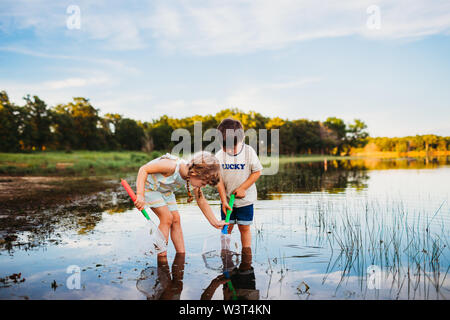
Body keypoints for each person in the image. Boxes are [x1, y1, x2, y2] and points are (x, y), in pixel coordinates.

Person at [134, 151, 228, 256]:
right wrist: (140, 195)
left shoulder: (191, 176)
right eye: (203, 183)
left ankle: (181, 254)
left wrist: (214, 222)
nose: (204, 186)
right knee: (167, 218)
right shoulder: (171, 166)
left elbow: (201, 200)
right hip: (149, 187)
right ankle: (161, 255)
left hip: (165, 191)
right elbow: (144, 169)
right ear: (194, 173)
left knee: (176, 219)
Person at [215, 118, 263, 249]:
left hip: (245, 201)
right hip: (226, 202)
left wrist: (243, 188)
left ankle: (246, 257)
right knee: (226, 227)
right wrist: (223, 199)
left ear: (242, 139)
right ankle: (225, 253)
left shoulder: (249, 152)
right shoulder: (219, 156)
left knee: (244, 228)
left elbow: (257, 172)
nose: (229, 151)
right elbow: (218, 180)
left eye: (233, 147)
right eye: (226, 147)